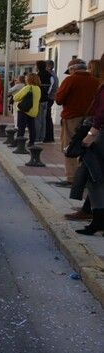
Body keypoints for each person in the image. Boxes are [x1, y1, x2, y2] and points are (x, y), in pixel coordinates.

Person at [56, 58, 100, 195]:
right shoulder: (95, 81)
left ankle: (72, 178)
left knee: (69, 146)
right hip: (90, 118)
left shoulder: (70, 80)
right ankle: (84, 177)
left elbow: (59, 99)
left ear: (72, 69)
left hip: (72, 117)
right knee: (87, 148)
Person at [75, 77, 104, 236]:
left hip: (101, 135)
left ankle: (98, 220)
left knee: (95, 177)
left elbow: (101, 113)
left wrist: (91, 134)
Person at [13, 73, 41, 146]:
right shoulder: (38, 88)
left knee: (21, 127)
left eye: (26, 78)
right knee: (32, 128)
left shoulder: (28, 87)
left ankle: (18, 143)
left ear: (29, 79)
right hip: (33, 111)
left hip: (24, 110)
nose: (25, 79)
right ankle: (31, 142)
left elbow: (15, 98)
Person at [44, 60, 59, 143]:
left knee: (47, 118)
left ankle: (48, 137)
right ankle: (49, 137)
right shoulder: (53, 74)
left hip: (49, 98)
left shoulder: (50, 76)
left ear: (49, 66)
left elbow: (49, 89)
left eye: (45, 66)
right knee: (48, 117)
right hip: (51, 98)